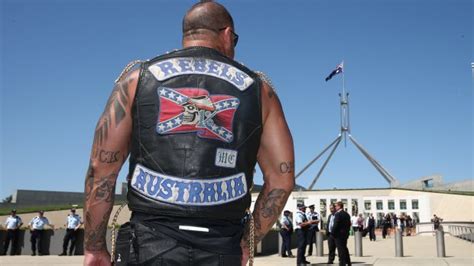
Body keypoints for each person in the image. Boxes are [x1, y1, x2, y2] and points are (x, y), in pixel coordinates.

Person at [83, 2, 295, 266]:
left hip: (148, 243)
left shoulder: (138, 78)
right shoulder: (261, 91)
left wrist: (94, 245)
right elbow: (281, 179)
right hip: (222, 245)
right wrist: (247, 242)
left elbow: (101, 168)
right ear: (228, 34)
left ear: (187, 34)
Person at [332, 201, 351, 266]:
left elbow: (335, 225)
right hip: (345, 234)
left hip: (338, 235)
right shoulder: (347, 214)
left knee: (340, 250)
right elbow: (349, 225)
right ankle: (348, 262)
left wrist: (332, 233)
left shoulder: (338, 214)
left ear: (339, 206)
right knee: (344, 248)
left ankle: (342, 263)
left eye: (336, 206)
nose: (335, 207)